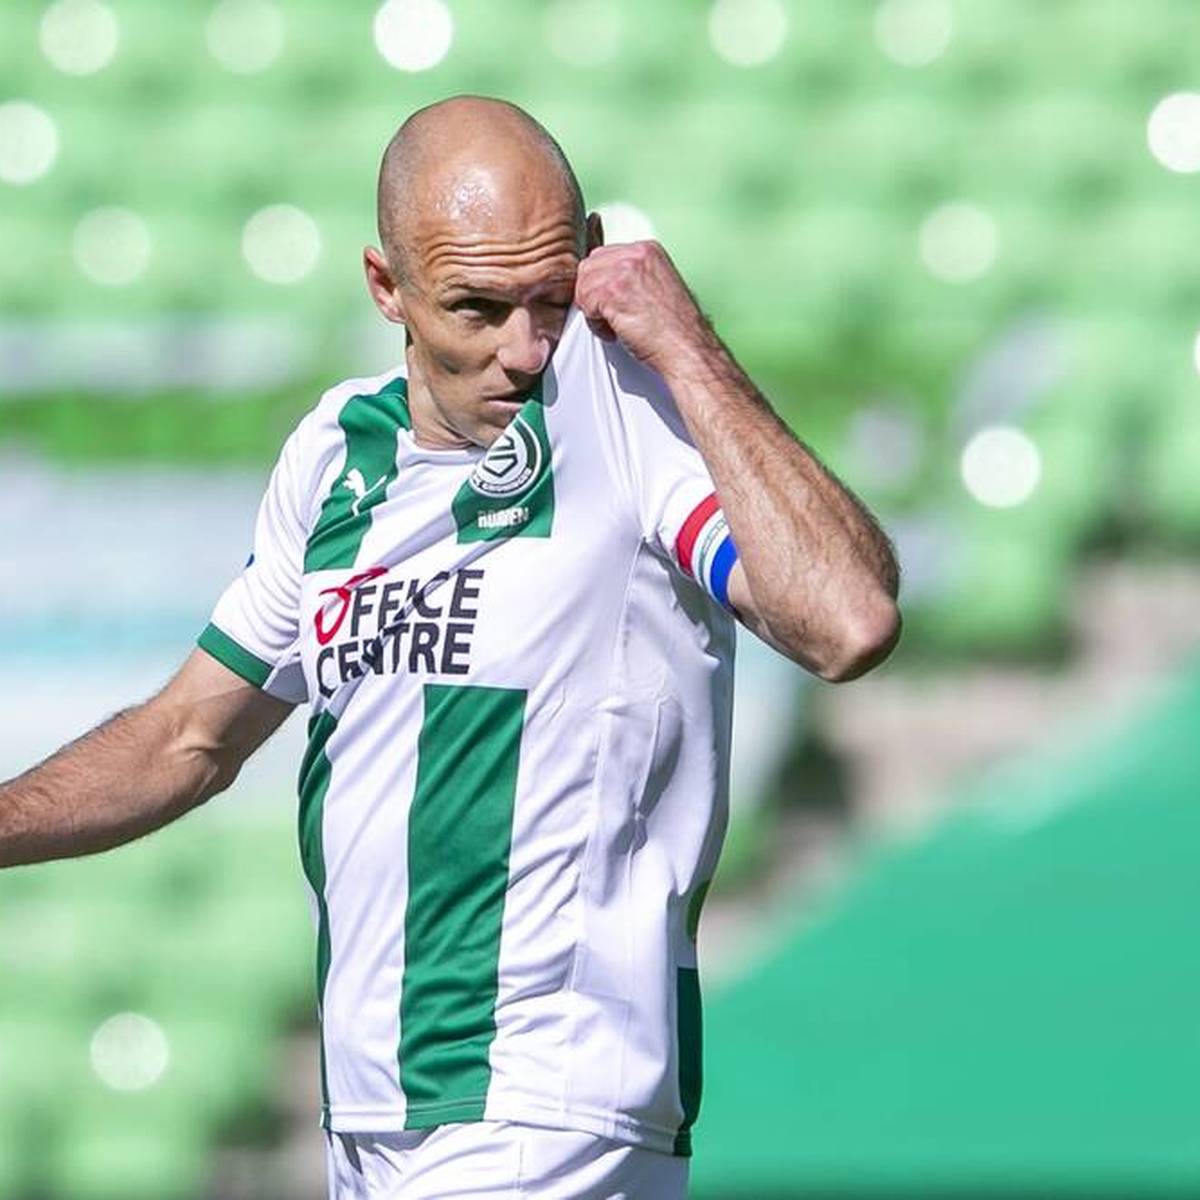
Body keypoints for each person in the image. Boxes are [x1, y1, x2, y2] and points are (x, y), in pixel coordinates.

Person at [0, 96, 900, 1198]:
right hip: (372, 1118)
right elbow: (187, 738)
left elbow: (849, 619)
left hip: (548, 1105)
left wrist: (687, 346)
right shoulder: (338, 454)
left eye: (552, 299)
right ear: (388, 287)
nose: (524, 351)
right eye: (477, 308)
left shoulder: (627, 421)